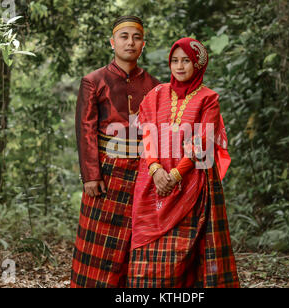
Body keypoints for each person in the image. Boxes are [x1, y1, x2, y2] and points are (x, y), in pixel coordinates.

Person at [128, 37, 240, 288]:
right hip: (152, 181)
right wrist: (156, 170)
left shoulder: (208, 99)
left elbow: (203, 141)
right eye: (175, 61)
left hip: (193, 182)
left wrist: (176, 176)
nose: (179, 66)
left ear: (198, 64)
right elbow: (147, 133)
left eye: (186, 61)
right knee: (147, 246)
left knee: (186, 251)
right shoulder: (155, 95)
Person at [71, 16, 160, 288]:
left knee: (137, 239)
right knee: (99, 244)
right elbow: (85, 129)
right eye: (124, 37)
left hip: (144, 172)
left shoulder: (154, 84)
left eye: (136, 37)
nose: (130, 42)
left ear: (143, 45)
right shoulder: (94, 81)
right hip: (107, 172)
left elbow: (158, 131)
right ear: (113, 42)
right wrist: (90, 175)